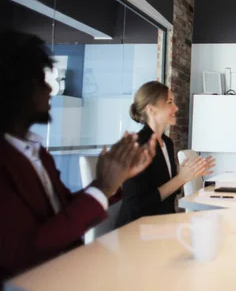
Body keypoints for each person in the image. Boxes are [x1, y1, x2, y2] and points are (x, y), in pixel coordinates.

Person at [0, 30, 156, 281]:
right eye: (41, 80)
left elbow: (59, 212)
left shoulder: (37, 153)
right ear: (18, 88)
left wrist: (112, 183)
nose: (50, 89)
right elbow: (23, 252)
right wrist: (103, 186)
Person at [116, 81, 215, 228]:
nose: (176, 108)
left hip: (161, 222)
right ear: (151, 110)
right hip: (137, 230)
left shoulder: (167, 143)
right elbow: (136, 205)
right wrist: (180, 178)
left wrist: (183, 176)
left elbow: (167, 194)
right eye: (169, 102)